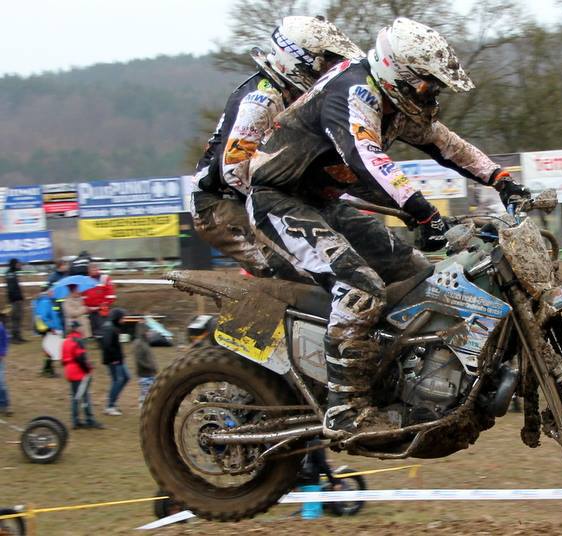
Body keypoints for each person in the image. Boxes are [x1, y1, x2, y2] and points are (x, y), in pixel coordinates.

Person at [247, 18, 532, 437]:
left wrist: (501, 179)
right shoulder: (353, 91)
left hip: (324, 204)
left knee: (417, 271)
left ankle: (397, 376)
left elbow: (447, 145)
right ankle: (344, 408)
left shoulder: (394, 103)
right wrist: (425, 213)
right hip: (278, 203)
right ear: (401, 74)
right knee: (360, 285)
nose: (432, 96)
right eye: (428, 86)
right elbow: (367, 159)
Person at [191, 16, 363, 278]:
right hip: (221, 202)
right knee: (296, 266)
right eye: (327, 64)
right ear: (300, 61)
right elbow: (234, 171)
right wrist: (293, 199)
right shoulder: (263, 100)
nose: (332, 72)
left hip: (275, 193)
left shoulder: (300, 97)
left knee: (355, 248)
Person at [62, 320, 103, 429]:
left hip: (69, 371)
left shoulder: (66, 341)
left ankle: (75, 421)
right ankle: (89, 420)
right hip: (79, 373)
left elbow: (63, 359)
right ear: (76, 328)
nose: (82, 328)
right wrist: (88, 369)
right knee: (84, 397)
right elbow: (80, 358)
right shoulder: (78, 341)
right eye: (80, 327)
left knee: (75, 396)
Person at [101, 308, 129, 416]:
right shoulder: (109, 328)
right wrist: (114, 359)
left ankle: (113, 402)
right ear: (117, 318)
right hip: (113, 360)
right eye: (122, 318)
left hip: (119, 359)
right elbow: (107, 345)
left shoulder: (115, 326)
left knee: (126, 377)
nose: (124, 320)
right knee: (117, 380)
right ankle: (110, 406)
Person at [32, 284, 63, 377]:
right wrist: (51, 327)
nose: (54, 293)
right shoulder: (45, 301)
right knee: (49, 349)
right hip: (47, 329)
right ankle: (48, 371)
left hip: (49, 328)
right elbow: (43, 317)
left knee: (49, 349)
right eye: (53, 291)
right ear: (48, 291)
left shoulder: (47, 300)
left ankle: (47, 370)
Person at [83, 264, 115, 339]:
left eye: (95, 269)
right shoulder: (85, 280)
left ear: (98, 269)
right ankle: (94, 338)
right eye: (91, 270)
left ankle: (104, 338)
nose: (93, 271)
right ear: (88, 271)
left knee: (102, 326)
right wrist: (85, 306)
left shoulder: (105, 278)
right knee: (92, 326)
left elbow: (111, 294)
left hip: (102, 308)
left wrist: (105, 304)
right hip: (90, 309)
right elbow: (83, 294)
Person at [133, 321, 157, 408]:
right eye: (148, 332)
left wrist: (153, 366)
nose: (150, 333)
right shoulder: (139, 344)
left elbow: (148, 357)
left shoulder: (145, 343)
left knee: (151, 390)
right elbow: (139, 360)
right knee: (145, 391)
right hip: (144, 374)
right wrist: (150, 367)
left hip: (150, 373)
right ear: (143, 332)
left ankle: (145, 403)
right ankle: (143, 405)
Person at [4, 258, 27, 344]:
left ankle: (18, 337)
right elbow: (12, 289)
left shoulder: (12, 273)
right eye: (18, 264)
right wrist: (17, 298)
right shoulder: (10, 274)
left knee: (18, 318)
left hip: (17, 299)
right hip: (15, 300)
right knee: (15, 318)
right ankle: (14, 338)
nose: (19, 266)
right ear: (14, 264)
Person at [0, 309, 10, 416]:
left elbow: (5, 340)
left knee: (1, 383)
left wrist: (2, 353)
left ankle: (5, 405)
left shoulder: (1, 327)